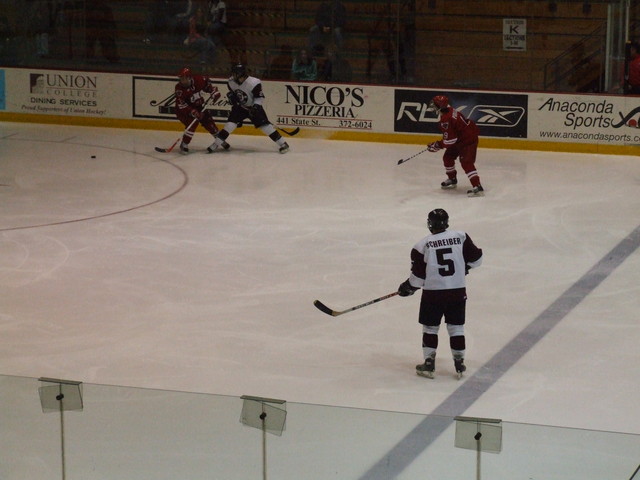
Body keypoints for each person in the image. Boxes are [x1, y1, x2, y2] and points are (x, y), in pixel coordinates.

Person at [397, 208, 483, 379]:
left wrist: (408, 287)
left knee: (430, 328)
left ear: (430, 224)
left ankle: (429, 364)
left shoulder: (421, 246)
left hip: (433, 295)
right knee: (456, 327)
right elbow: (477, 260)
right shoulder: (461, 236)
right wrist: (463, 268)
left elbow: (418, 278)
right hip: (457, 291)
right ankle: (459, 362)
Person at [207, 64, 289, 154]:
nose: (233, 76)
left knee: (266, 127)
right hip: (240, 108)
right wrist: (233, 98)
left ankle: (283, 144)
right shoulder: (231, 82)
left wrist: (255, 107)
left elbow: (259, 97)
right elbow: (235, 94)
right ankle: (216, 144)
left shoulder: (254, 83)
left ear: (241, 74)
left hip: (253, 107)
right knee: (229, 125)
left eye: (235, 74)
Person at [426, 95, 484, 197]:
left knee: (466, 163)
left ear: (440, 106)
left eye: (434, 105)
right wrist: (439, 144)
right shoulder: (449, 110)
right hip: (460, 138)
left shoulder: (446, 119)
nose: (433, 107)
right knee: (448, 157)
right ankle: (452, 179)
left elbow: (450, 141)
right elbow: (452, 137)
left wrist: (437, 145)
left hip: (468, 140)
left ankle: (477, 187)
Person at [174, 67, 221, 154]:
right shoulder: (179, 89)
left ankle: (219, 139)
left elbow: (208, 85)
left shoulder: (199, 80)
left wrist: (213, 92)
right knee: (192, 123)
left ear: (189, 77)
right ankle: (184, 144)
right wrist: (192, 112)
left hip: (198, 106)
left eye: (184, 78)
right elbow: (182, 105)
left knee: (208, 120)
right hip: (183, 111)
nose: (182, 81)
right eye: (181, 78)